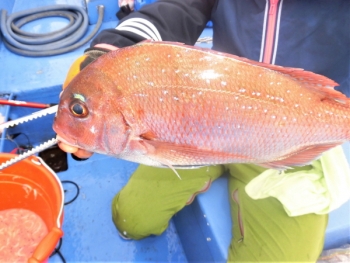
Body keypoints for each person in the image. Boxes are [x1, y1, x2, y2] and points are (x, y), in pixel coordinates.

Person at [58, 0, 350, 262]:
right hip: (192, 120)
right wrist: (111, 49)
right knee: (130, 219)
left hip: (291, 135)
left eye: (79, 112)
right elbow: (181, 6)